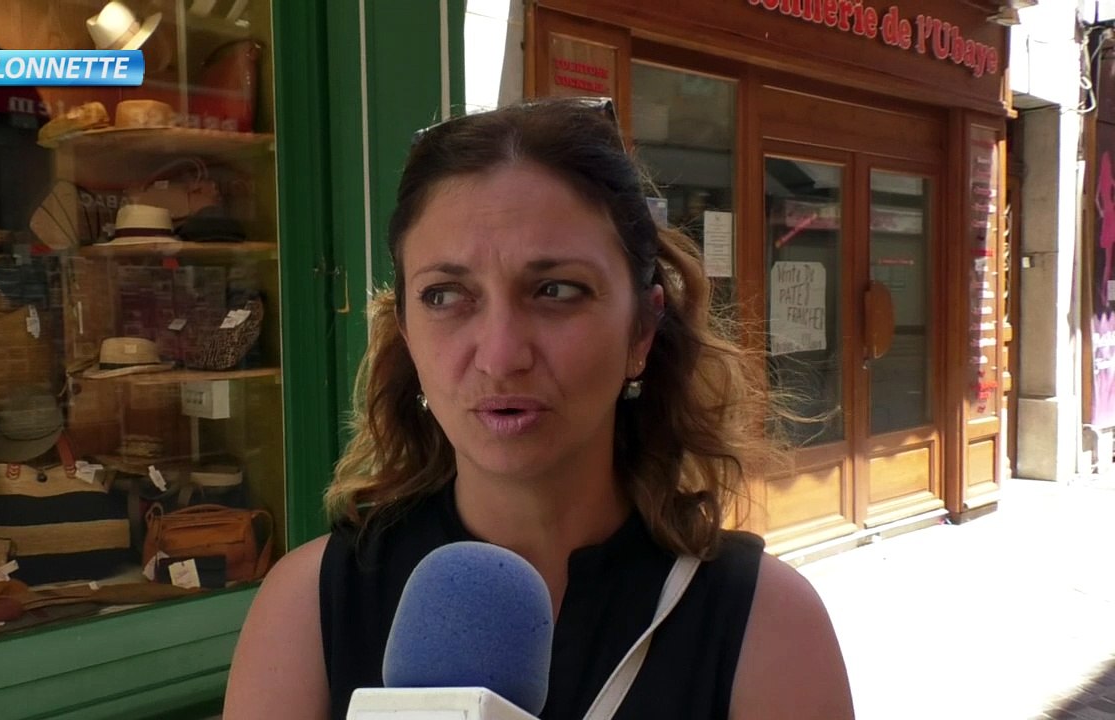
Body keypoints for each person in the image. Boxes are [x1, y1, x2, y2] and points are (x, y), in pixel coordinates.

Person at [223, 98, 854, 720]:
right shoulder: (308, 609)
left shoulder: (764, 627)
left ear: (641, 332)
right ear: (408, 336)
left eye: (556, 290)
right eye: (445, 295)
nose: (500, 356)